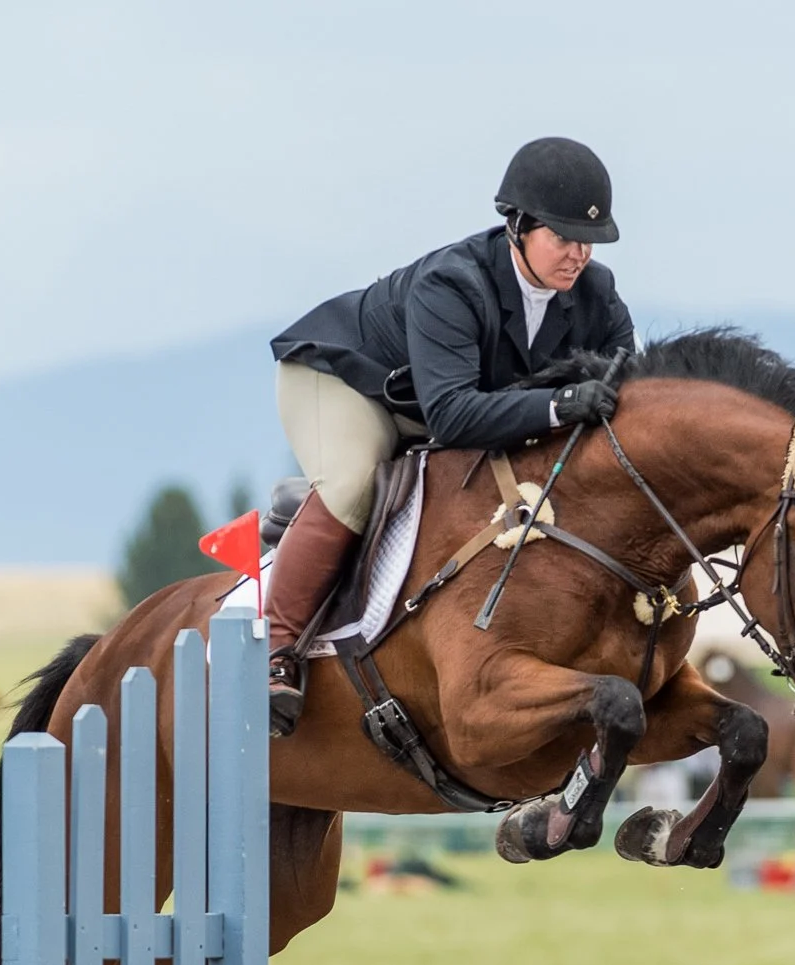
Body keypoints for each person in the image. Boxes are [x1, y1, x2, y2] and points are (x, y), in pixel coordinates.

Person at [265, 136, 638, 736]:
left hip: (436, 399)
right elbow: (454, 418)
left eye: (588, 240)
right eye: (563, 238)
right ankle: (274, 652)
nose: (579, 255)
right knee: (358, 482)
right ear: (517, 226)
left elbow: (627, 395)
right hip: (350, 384)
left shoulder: (596, 294)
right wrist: (562, 404)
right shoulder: (454, 282)